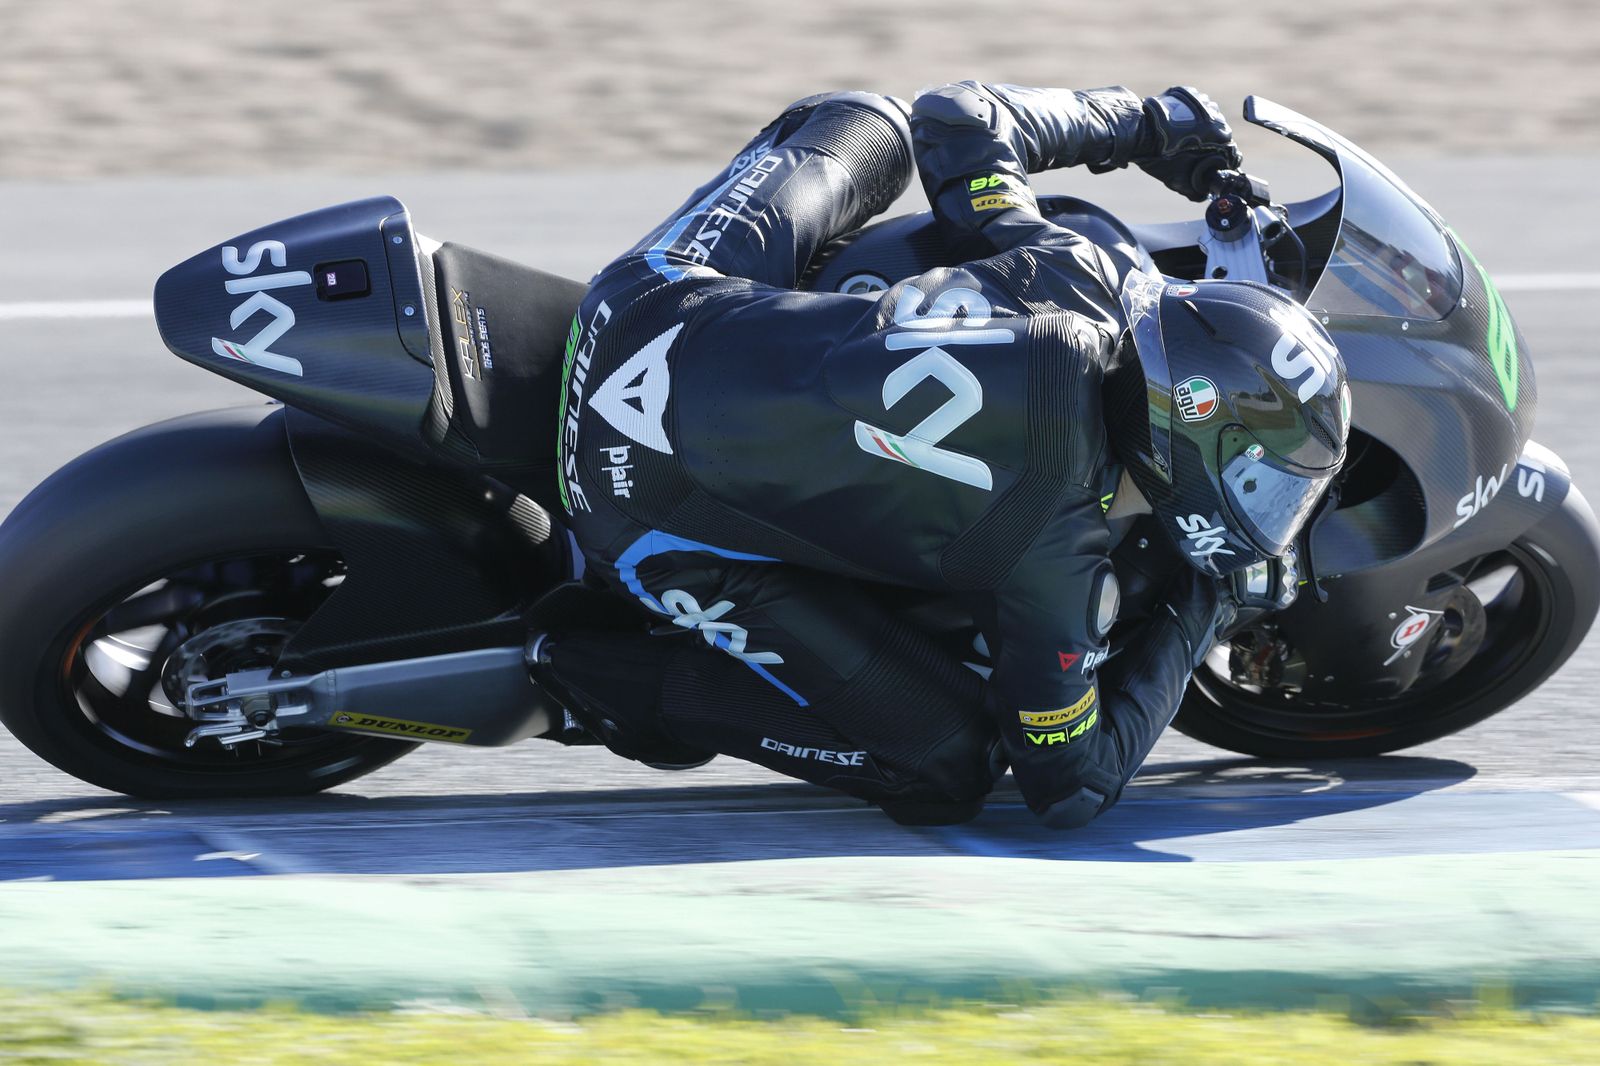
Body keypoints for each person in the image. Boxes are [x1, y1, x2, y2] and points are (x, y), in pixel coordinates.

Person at [529, 82, 1350, 828]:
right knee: (948, 765)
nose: (1271, 508)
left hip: (638, 309)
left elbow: (957, 117)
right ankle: (598, 679)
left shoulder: (1078, 271)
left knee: (870, 122)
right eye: (1260, 482)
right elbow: (1069, 786)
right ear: (1189, 445)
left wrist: (1147, 125)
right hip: (633, 510)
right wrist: (1200, 606)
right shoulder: (1056, 562)